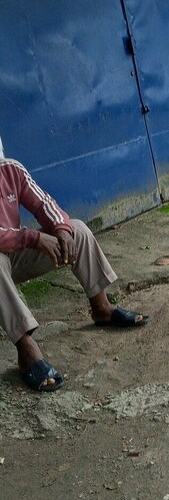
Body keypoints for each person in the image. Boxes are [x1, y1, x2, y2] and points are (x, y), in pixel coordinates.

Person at [0, 157, 149, 392]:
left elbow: (44, 203)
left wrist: (61, 229)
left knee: (77, 229)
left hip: (13, 255)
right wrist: (34, 238)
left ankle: (102, 308)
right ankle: (25, 346)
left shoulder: (10, 169)